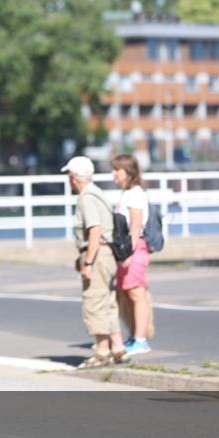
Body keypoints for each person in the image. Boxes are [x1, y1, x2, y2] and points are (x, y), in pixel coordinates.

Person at [62, 156, 128, 368]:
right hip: (107, 254)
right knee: (108, 302)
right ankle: (118, 348)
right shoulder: (98, 193)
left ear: (73, 177)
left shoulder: (86, 198)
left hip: (97, 255)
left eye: (68, 176)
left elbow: (95, 230)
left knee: (95, 302)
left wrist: (88, 262)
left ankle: (102, 351)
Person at [110, 154, 155, 355]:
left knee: (137, 293)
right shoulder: (127, 193)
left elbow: (135, 226)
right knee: (129, 293)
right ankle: (135, 336)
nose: (113, 174)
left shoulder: (135, 194)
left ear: (128, 172)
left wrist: (128, 253)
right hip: (127, 248)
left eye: (117, 169)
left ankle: (140, 340)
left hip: (134, 248)